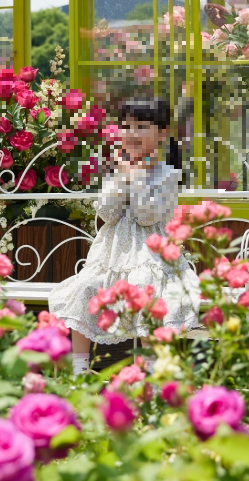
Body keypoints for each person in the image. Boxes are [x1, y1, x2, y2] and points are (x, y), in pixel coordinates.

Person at [48, 97, 200, 373]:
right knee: (85, 289)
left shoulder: (168, 175)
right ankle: (79, 372)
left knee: (146, 293)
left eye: (141, 126)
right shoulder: (117, 169)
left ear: (163, 133)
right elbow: (107, 212)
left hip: (152, 257)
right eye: (126, 126)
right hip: (111, 258)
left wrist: (137, 174)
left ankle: (150, 375)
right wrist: (122, 176)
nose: (131, 134)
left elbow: (146, 216)